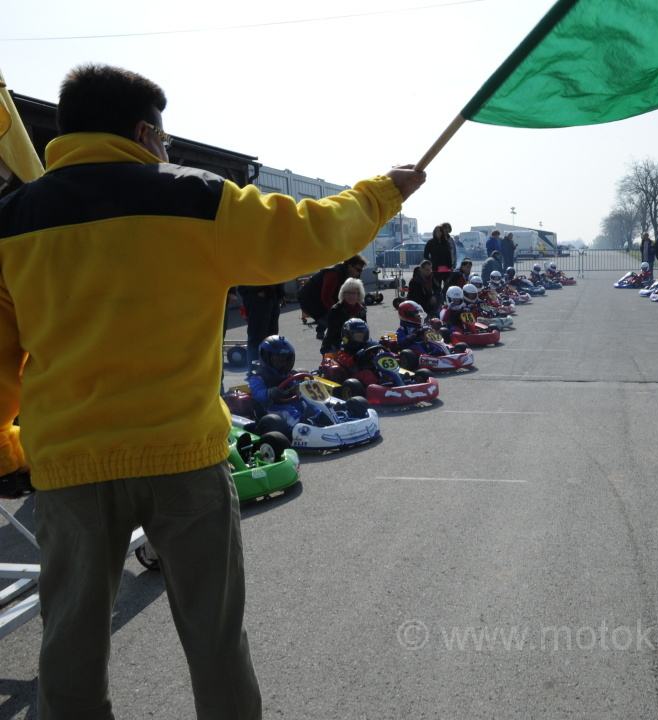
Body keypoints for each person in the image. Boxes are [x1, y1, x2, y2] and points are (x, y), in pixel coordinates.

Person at [0, 63, 425, 719]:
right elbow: (310, 229)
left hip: (69, 467)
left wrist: (7, 450)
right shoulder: (196, 198)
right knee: (215, 641)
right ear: (145, 132)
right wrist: (382, 193)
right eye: (163, 138)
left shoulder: (12, 221)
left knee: (69, 652)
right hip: (185, 459)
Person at [298, 253, 367, 339]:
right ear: (350, 266)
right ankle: (330, 338)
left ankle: (323, 329)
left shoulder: (350, 274)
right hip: (309, 299)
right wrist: (341, 313)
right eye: (358, 270)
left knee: (340, 309)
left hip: (320, 297)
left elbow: (357, 294)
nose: (359, 273)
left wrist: (361, 308)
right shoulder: (334, 274)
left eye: (361, 271)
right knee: (337, 319)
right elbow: (326, 298)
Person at [237, 283, 284, 371]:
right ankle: (254, 371)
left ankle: (269, 369)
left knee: (272, 337)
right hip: (257, 296)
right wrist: (257, 291)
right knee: (256, 337)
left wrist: (280, 294)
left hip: (272, 295)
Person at [320, 277, 367, 354]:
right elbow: (333, 333)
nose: (350, 296)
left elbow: (364, 330)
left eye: (353, 293)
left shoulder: (362, 309)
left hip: (356, 343)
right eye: (347, 293)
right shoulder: (335, 310)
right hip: (336, 344)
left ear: (358, 295)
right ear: (343, 294)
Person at [423, 224, 455, 303]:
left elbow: (449, 255)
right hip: (435, 269)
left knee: (447, 287)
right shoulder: (430, 242)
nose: (438, 232)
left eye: (440, 231)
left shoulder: (446, 242)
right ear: (434, 232)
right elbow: (425, 255)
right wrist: (430, 263)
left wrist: (451, 266)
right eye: (437, 231)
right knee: (437, 288)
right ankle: (438, 304)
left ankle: (446, 302)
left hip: (446, 269)